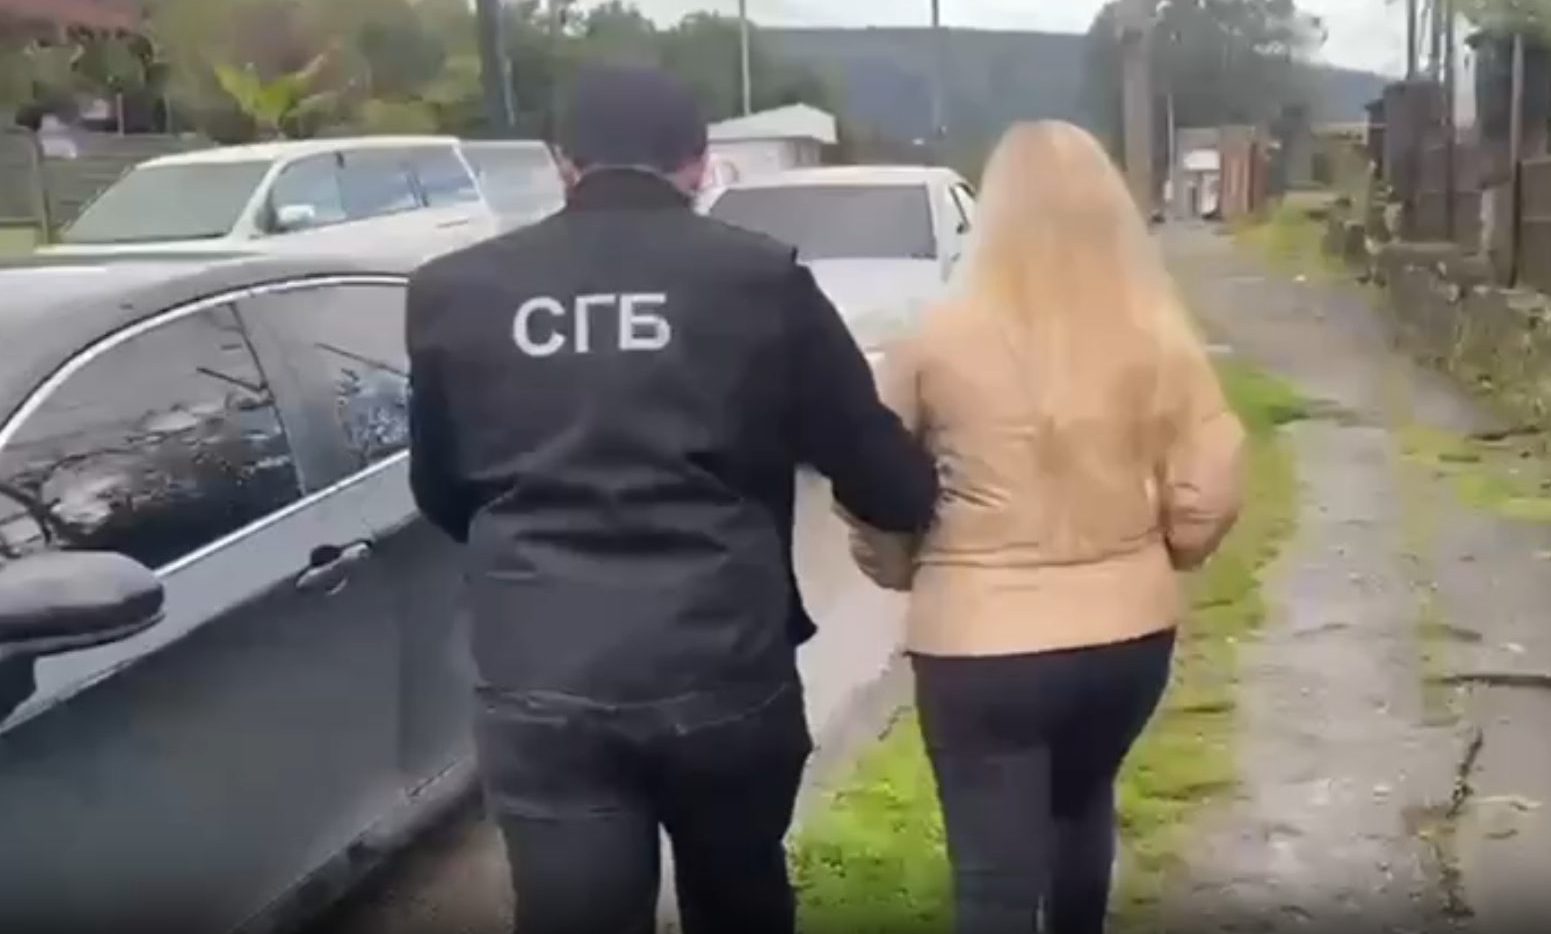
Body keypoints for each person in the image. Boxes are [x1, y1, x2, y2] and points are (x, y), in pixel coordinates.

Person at [404, 63, 940, 934]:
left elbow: (440, 488)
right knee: (739, 903)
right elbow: (881, 478)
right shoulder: (760, 279)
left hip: (540, 675)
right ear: (698, 163)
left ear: (561, 161)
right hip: (723, 671)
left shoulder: (452, 291)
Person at [847, 120, 1246, 934]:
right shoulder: (1157, 335)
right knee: (1082, 805)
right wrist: (1171, 547)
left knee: (992, 876)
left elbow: (870, 480)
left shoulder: (932, 341)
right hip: (1126, 638)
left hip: (978, 646)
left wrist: (900, 565)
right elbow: (1208, 481)